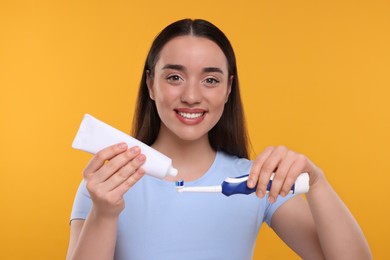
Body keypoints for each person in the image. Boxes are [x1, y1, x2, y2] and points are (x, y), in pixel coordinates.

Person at [66, 19, 371, 260]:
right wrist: (105, 213)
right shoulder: (108, 185)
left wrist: (317, 183)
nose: (191, 96)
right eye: (174, 77)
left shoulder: (256, 182)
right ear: (150, 84)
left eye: (210, 80)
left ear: (227, 90)